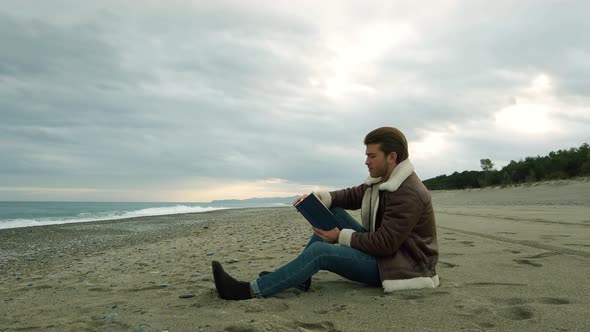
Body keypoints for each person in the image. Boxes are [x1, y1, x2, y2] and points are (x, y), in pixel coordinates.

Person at [212, 127, 439, 300]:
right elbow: (352, 195)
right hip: (388, 256)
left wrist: (339, 236)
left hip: (401, 267)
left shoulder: (408, 193)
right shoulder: (383, 180)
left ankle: (247, 291)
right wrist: (321, 198)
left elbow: (386, 244)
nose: (366, 161)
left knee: (322, 251)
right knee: (332, 211)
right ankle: (300, 279)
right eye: (366, 155)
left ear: (392, 157)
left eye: (372, 156)